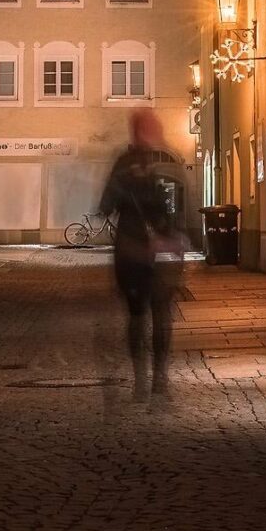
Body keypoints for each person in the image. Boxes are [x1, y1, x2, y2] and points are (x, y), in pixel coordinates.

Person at [99, 107, 182, 400]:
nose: (157, 131)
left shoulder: (135, 163)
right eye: (153, 126)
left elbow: (105, 206)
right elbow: (107, 203)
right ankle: (150, 379)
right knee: (150, 316)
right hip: (146, 252)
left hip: (139, 251)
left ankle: (149, 380)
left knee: (150, 316)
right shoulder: (162, 161)